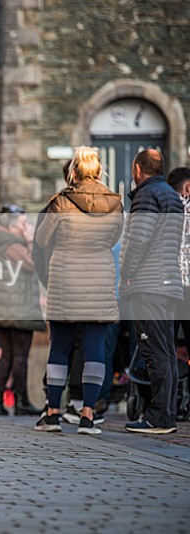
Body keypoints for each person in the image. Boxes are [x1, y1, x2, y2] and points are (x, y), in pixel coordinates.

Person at [34, 146, 123, 434]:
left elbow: (42, 238)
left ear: (74, 170)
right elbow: (114, 238)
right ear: (98, 170)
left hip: (65, 279)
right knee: (94, 349)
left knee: (59, 347)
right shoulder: (115, 202)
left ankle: (52, 413)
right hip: (98, 278)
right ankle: (87, 416)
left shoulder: (61, 201)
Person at [121, 149, 183, 434]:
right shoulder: (172, 195)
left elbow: (139, 239)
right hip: (170, 283)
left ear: (137, 169)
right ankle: (166, 414)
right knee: (167, 351)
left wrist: (127, 273)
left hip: (149, 284)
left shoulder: (146, 195)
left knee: (154, 350)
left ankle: (157, 416)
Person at [0, 205, 46, 416]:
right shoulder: (13, 246)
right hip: (17, 309)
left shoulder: (1, 244)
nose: (27, 227)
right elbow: (33, 264)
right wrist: (30, 240)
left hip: (4, 309)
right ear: (11, 227)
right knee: (19, 355)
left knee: (8, 355)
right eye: (23, 224)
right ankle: (21, 401)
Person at [168, 167, 190, 356]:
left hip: (168, 287)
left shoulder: (163, 209)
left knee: (167, 346)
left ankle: (170, 385)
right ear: (188, 188)